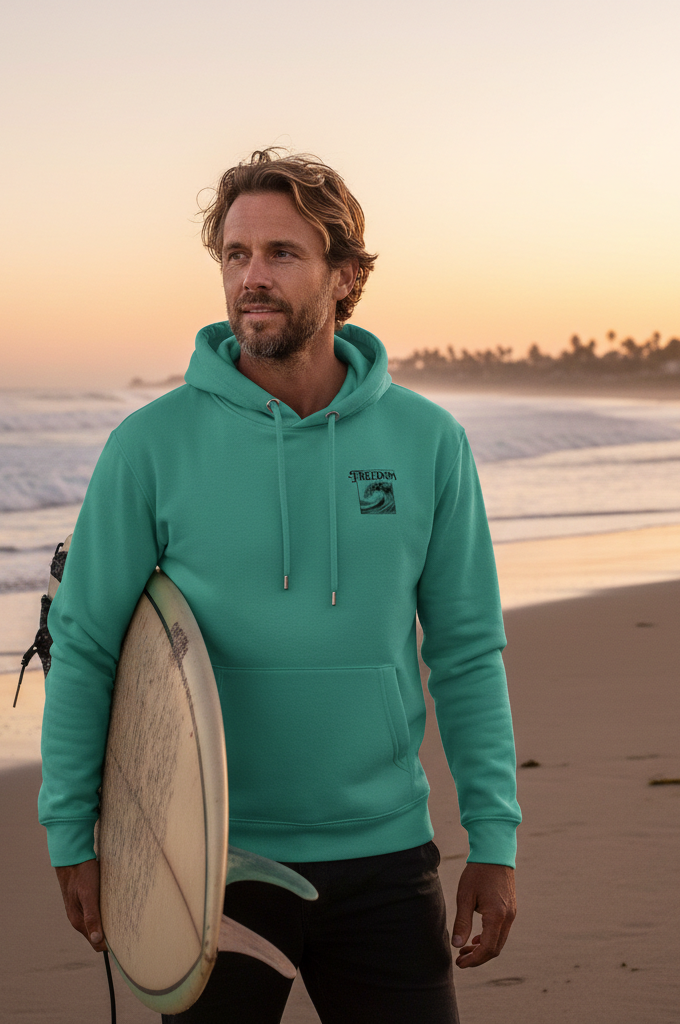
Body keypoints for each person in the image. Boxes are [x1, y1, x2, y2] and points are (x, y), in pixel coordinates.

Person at [40, 149, 521, 1023]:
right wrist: (71, 831)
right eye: (235, 255)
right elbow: (86, 642)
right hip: (211, 857)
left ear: (344, 275)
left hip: (386, 856)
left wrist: (494, 837)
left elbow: (465, 651)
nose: (251, 279)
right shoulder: (152, 445)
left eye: (281, 254)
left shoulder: (428, 442)